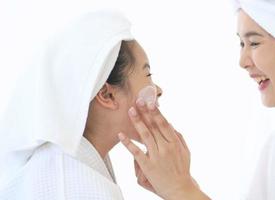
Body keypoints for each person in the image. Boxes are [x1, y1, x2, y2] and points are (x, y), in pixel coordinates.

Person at [118, 0, 275, 199]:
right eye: (241, 44)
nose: (242, 61)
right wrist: (176, 185)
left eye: (254, 43)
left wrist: (181, 189)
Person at [0, 10, 162, 200]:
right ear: (106, 94)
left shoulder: (65, 168)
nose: (158, 89)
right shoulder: (77, 189)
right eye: (148, 75)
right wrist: (181, 188)